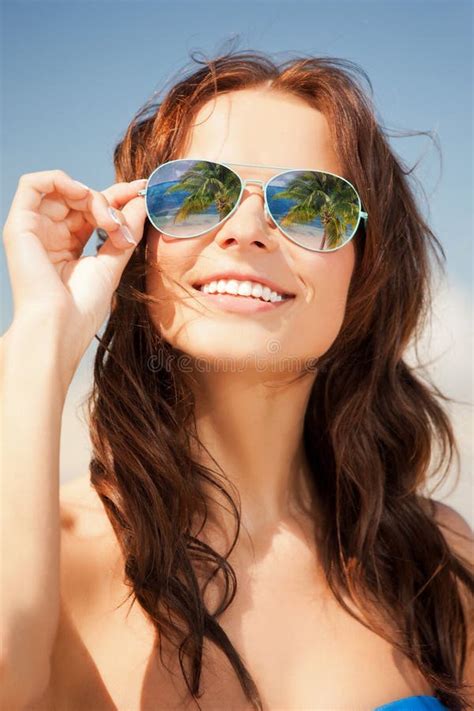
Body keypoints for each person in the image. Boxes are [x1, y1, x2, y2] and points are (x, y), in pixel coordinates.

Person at [1, 50, 473, 711]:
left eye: (313, 204)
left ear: (367, 269)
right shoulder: (49, 557)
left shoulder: (431, 564)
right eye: (195, 192)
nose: (246, 230)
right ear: (136, 237)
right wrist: (40, 338)